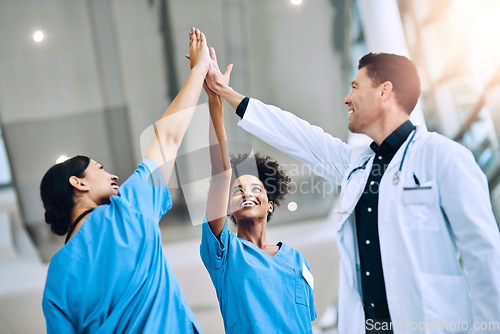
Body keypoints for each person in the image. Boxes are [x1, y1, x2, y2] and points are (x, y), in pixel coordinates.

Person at [204, 50, 500, 334]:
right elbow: (300, 136)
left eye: (355, 87)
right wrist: (227, 94)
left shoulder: (444, 157)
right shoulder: (354, 165)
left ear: (384, 91)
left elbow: (484, 254)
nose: (347, 98)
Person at [40, 27, 210, 334]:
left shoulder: (56, 278)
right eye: (100, 168)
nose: (113, 175)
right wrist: (199, 70)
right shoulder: (127, 208)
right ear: (78, 183)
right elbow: (167, 137)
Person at [198, 48, 317, 333]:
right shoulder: (224, 253)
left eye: (256, 188)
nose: (247, 193)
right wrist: (215, 100)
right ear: (228, 207)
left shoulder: (296, 261)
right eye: (237, 190)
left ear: (270, 204)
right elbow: (220, 175)